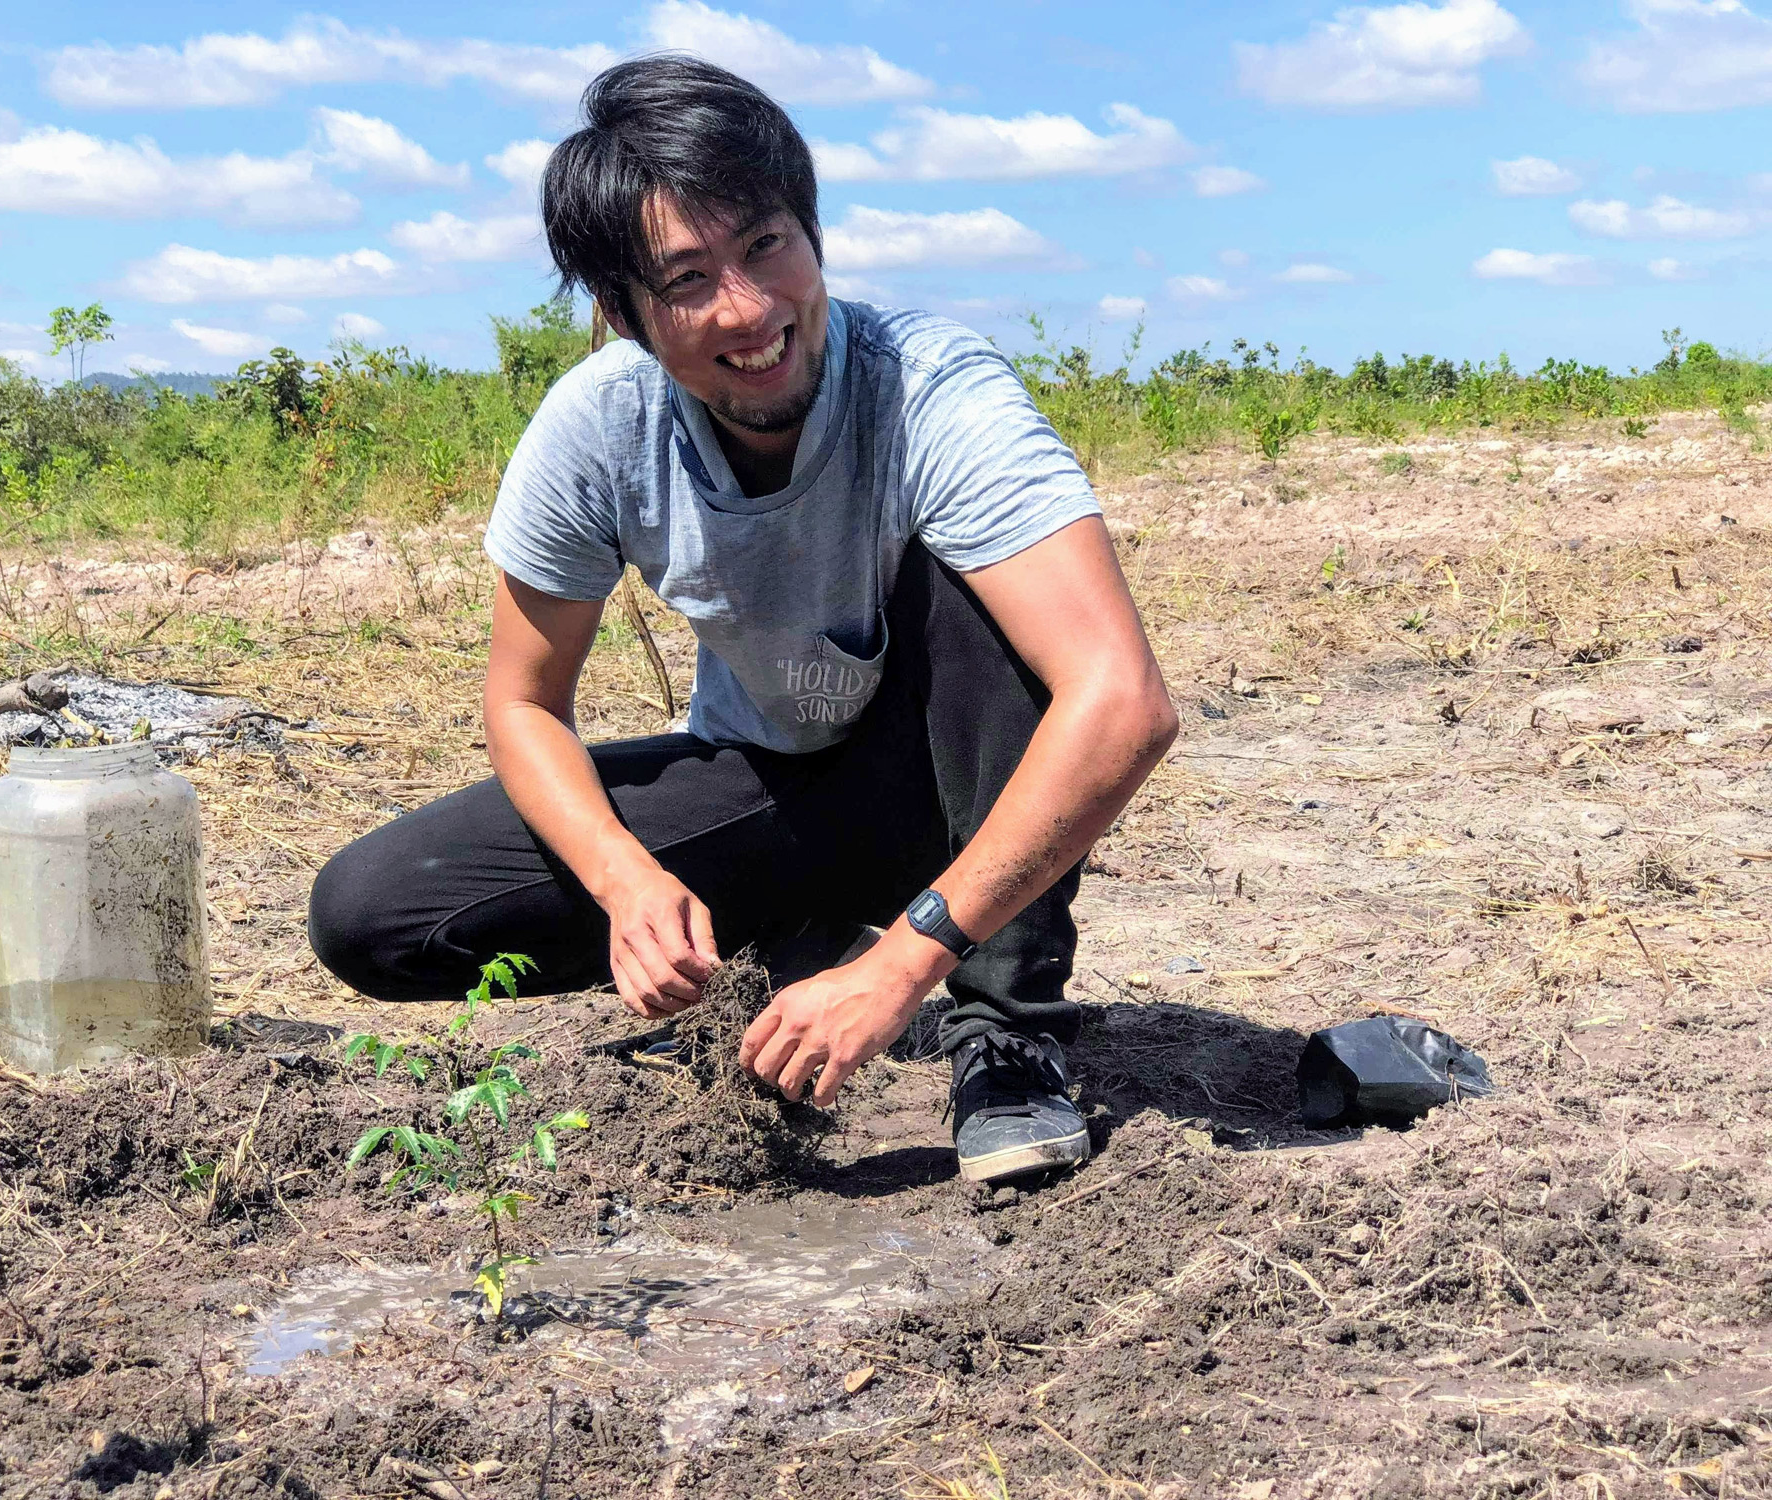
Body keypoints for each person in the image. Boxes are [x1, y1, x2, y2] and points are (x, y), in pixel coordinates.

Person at [308, 56, 1178, 1185]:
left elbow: (1121, 703)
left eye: (766, 244)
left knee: (998, 592)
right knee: (373, 909)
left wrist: (903, 965)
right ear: (621, 315)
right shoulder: (599, 427)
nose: (749, 309)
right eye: (685, 280)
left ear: (812, 235)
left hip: (955, 781)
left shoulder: (930, 389)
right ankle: (791, 942)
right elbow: (522, 703)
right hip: (771, 780)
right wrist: (625, 882)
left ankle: (1002, 1026)